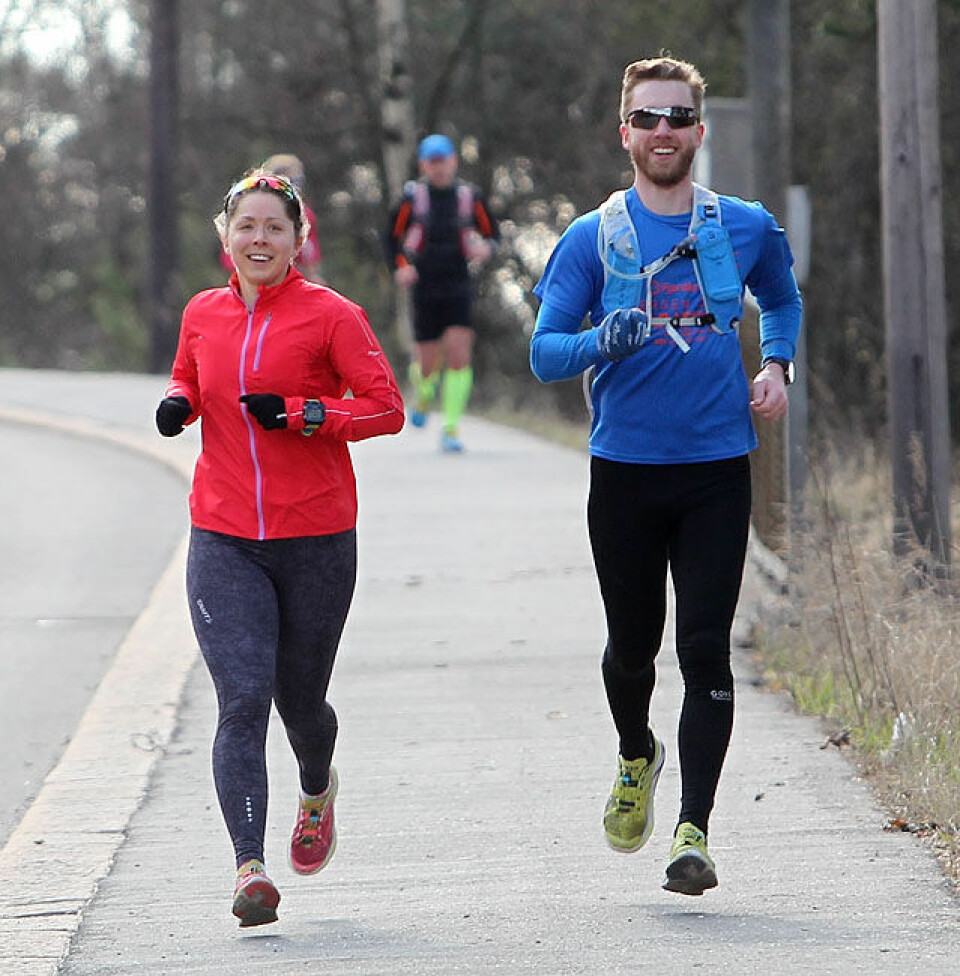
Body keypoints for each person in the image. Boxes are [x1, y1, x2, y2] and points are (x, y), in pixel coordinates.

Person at [530, 56, 802, 896]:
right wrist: (599, 341)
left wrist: (779, 367)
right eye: (646, 118)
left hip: (718, 470)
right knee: (631, 653)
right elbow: (544, 353)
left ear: (699, 132)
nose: (662, 132)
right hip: (626, 475)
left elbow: (783, 302)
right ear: (625, 133)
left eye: (677, 117)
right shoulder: (592, 237)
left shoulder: (744, 226)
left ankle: (694, 830)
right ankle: (635, 752)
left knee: (706, 650)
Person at [155, 169, 404, 927]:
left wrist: (303, 414)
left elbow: (385, 409)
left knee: (300, 702)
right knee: (242, 700)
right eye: (246, 227)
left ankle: (317, 785)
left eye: (274, 227)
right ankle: (249, 869)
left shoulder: (333, 316)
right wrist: (179, 402)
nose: (258, 239)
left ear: (298, 240)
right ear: (225, 238)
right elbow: (190, 375)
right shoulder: (203, 312)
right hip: (224, 536)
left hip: (317, 539)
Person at [385, 133, 499, 452]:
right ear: (423, 165)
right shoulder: (411, 199)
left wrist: (484, 250)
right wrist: (401, 267)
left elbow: (493, 234)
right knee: (427, 362)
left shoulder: (470, 197)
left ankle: (450, 428)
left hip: (459, 281)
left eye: (443, 162)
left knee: (460, 354)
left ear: (453, 161)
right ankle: (423, 396)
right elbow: (391, 239)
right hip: (424, 283)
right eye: (432, 163)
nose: (439, 169)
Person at [219, 154, 324, 282]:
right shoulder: (242, 213)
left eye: (275, 228)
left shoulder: (305, 216)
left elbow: (311, 261)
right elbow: (232, 264)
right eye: (292, 182)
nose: (259, 238)